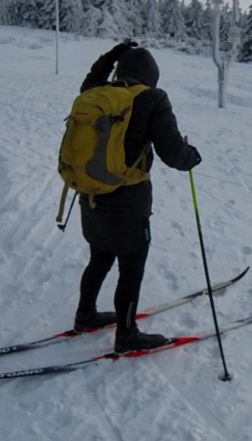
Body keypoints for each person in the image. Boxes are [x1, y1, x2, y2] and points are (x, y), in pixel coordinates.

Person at [72, 40, 202, 353]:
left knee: (99, 257)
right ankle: (127, 333)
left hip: (89, 194)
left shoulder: (93, 94)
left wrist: (112, 55)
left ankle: (85, 314)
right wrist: (191, 157)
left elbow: (91, 77)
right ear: (152, 75)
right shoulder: (153, 98)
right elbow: (173, 153)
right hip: (128, 202)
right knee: (131, 268)